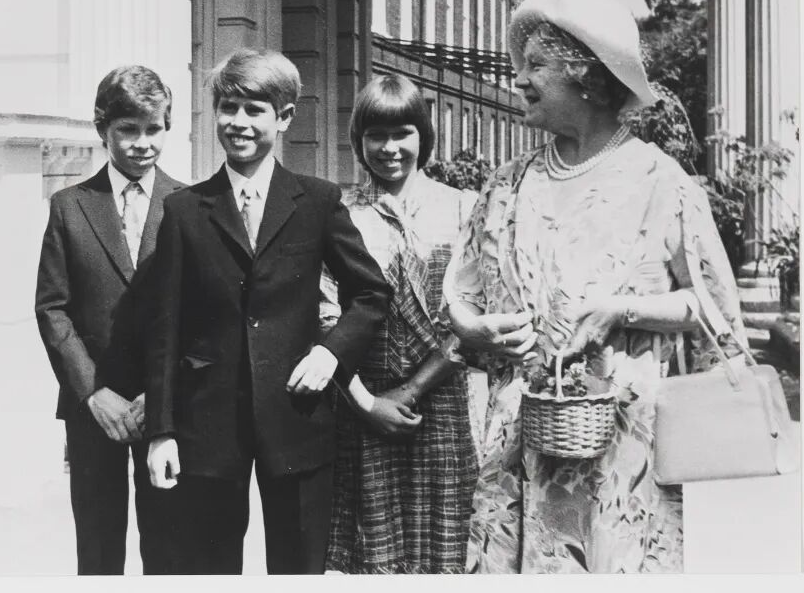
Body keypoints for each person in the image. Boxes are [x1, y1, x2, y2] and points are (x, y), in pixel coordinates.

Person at [444, 0, 748, 573]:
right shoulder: (506, 184)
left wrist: (621, 310)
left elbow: (713, 308)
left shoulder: (661, 181)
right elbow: (460, 295)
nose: (519, 79)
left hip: (621, 451)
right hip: (520, 443)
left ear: (586, 75)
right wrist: (475, 329)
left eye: (536, 66)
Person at [143, 47, 391, 574]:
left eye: (255, 110)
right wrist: (161, 431)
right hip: (207, 426)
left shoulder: (316, 201)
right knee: (206, 569)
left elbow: (371, 294)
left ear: (284, 117)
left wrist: (330, 354)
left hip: (296, 418)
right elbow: (165, 327)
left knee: (298, 567)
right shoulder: (184, 210)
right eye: (228, 108)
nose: (238, 122)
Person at [320, 75, 480, 574]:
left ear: (423, 136)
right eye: (376, 135)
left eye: (401, 133)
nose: (389, 149)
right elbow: (324, 315)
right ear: (359, 139)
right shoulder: (339, 212)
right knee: (373, 553)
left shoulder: (463, 208)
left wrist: (411, 390)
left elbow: (473, 313)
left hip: (442, 400)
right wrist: (367, 403)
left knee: (443, 547)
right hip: (361, 401)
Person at [35, 66, 184, 574]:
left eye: (154, 129)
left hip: (164, 407)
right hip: (94, 407)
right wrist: (93, 392)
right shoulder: (70, 206)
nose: (143, 143)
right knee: (98, 550)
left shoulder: (189, 205)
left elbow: (200, 312)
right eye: (128, 129)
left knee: (168, 546)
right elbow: (52, 308)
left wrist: (161, 395)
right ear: (103, 129)